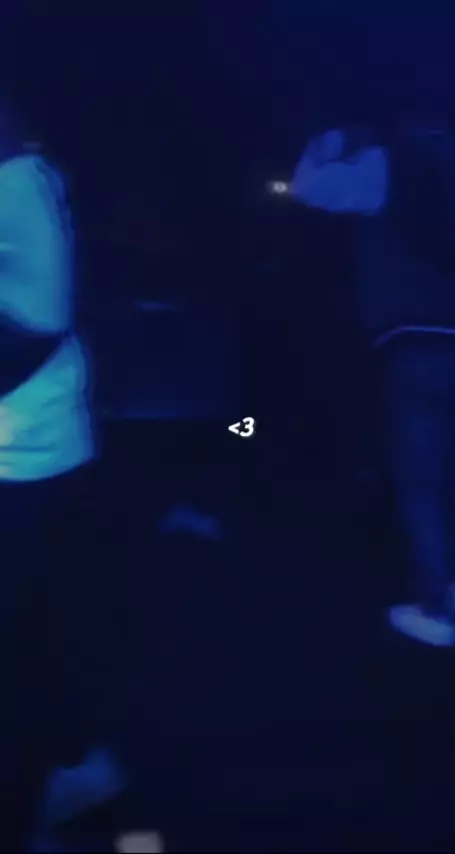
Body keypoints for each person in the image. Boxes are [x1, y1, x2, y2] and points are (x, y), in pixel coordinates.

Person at [290, 105, 455, 648]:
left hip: (419, 338)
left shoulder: (392, 160)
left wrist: (334, 137)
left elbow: (309, 187)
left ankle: (435, 603)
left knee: (423, 478)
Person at [0, 98, 124, 850]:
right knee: (35, 631)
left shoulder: (15, 182)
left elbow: (41, 317)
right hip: (30, 446)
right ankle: (76, 772)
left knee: (24, 640)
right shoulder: (23, 179)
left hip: (25, 453)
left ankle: (54, 790)